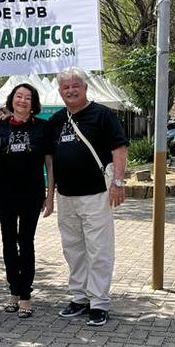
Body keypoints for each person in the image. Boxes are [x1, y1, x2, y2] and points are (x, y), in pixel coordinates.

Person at [46, 67, 129, 327]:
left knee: (99, 249)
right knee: (73, 248)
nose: (70, 90)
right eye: (65, 87)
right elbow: (49, 158)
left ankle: (99, 301)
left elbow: (119, 149)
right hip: (66, 196)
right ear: (60, 92)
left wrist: (117, 182)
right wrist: (50, 194)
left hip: (96, 194)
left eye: (75, 85)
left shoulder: (102, 115)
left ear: (85, 88)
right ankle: (79, 296)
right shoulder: (57, 120)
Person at [0, 83, 53, 318]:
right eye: (19, 96)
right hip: (4, 193)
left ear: (33, 103)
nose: (23, 100)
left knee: (26, 242)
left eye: (28, 97)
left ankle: (25, 295)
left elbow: (48, 163)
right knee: (7, 242)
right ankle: (13, 291)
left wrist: (50, 195)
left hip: (32, 193)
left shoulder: (42, 127)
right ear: (11, 100)